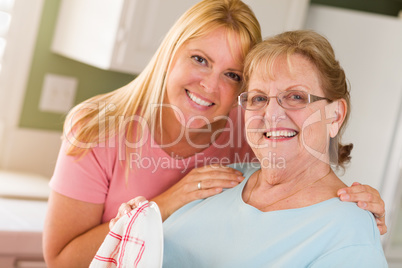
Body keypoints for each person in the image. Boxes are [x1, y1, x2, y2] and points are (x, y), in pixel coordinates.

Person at [42, 0, 386, 267]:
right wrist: (166, 202)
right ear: (170, 53)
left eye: (233, 75)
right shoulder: (100, 127)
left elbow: (306, 168)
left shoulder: (250, 127)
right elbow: (60, 259)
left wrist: (361, 208)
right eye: (200, 59)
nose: (209, 85)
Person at [161, 30, 387, 267]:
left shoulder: (349, 233)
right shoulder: (221, 178)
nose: (271, 115)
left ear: (335, 115)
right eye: (259, 99)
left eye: (295, 97)